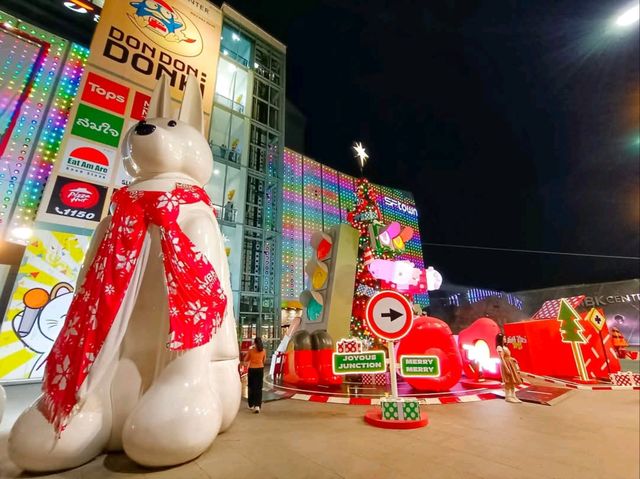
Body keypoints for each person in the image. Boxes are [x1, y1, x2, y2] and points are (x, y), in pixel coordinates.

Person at [496, 333, 523, 403]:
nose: (505, 339)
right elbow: (502, 358)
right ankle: (508, 396)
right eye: (504, 338)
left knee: (512, 380)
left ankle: (513, 396)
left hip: (510, 364)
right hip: (506, 365)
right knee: (508, 381)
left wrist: (513, 359)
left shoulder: (505, 347)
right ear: (500, 339)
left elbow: (507, 356)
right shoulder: (499, 347)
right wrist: (506, 368)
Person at [244, 337, 266, 413]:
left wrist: (249, 351)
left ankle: (251, 404)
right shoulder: (263, 351)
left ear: (255, 343)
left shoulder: (251, 350)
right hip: (260, 369)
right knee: (259, 388)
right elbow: (264, 360)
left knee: (251, 387)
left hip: (252, 369)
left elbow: (245, 359)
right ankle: (257, 406)